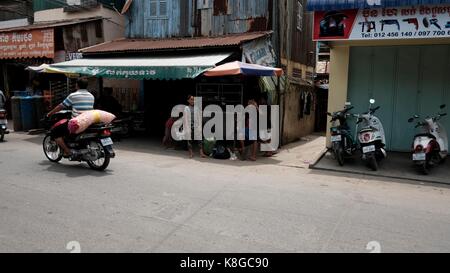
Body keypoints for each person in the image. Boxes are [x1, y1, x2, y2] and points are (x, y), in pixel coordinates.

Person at [46, 78, 95, 158]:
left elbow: (61, 106)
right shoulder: (91, 96)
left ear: (77, 85)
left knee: (55, 131)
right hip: (88, 121)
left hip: (77, 122)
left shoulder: (73, 95)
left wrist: (50, 113)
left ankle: (68, 152)